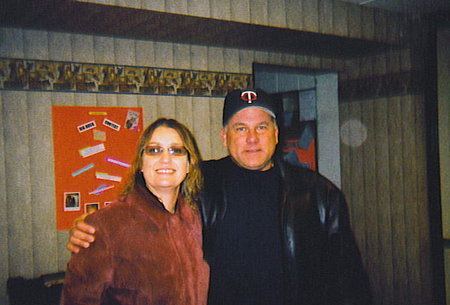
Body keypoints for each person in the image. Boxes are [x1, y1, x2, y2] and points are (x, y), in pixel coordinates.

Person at [67, 89, 372, 305]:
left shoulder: (319, 194)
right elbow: (150, 205)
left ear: (276, 134)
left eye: (261, 127)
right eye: (240, 128)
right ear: (224, 136)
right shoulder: (200, 182)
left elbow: (348, 280)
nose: (252, 138)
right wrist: (92, 226)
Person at [62, 118, 209, 305]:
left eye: (176, 150)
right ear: (140, 163)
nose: (166, 159)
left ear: (189, 165)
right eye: (154, 150)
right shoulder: (105, 225)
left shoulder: (193, 219)